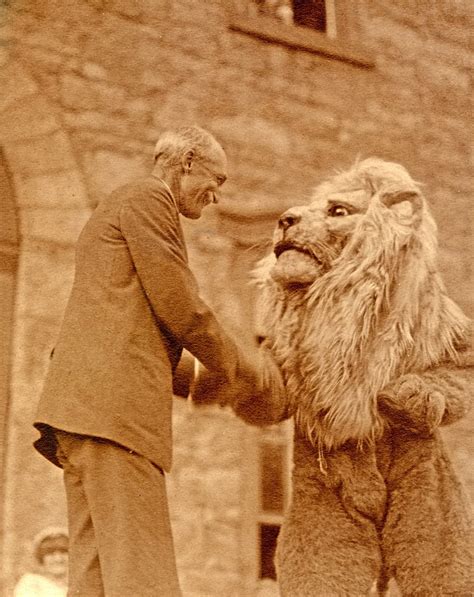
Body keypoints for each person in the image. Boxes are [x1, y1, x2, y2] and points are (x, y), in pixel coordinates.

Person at [33, 126, 265, 597]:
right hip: (115, 417)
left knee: (95, 578)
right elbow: (180, 304)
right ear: (186, 163)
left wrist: (198, 381)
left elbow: (127, 327)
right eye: (214, 179)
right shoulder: (147, 198)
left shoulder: (118, 207)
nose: (216, 196)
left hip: (82, 417)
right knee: (144, 577)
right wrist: (236, 366)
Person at [14, 527, 68, 597]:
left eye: (63, 551)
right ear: (41, 558)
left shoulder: (78, 583)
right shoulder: (31, 584)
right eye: (50, 553)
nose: (58, 559)